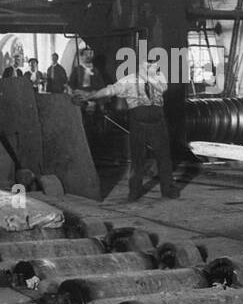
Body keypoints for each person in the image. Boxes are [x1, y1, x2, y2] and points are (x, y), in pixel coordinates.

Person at [72, 63, 178, 201]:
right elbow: (110, 90)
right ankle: (134, 192)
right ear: (140, 64)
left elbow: (163, 88)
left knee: (164, 156)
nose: (153, 66)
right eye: (148, 63)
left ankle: (168, 190)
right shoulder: (128, 80)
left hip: (158, 122)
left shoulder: (159, 77)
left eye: (154, 64)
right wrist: (91, 96)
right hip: (138, 122)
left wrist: (147, 77)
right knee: (137, 158)